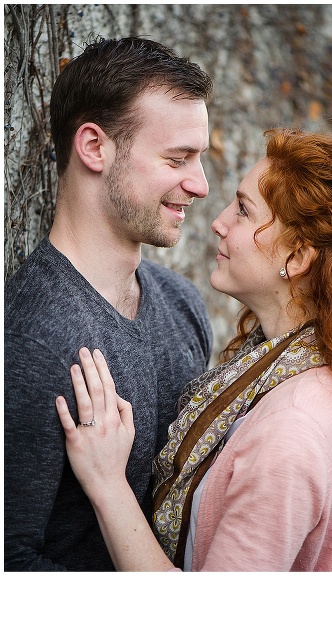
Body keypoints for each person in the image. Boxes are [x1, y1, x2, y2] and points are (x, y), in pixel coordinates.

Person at [55, 129, 332, 571]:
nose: (218, 221)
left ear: (298, 258)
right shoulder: (278, 363)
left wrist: (107, 482)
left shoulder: (292, 430)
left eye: (244, 211)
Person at [4, 37, 214, 571]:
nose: (200, 184)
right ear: (94, 148)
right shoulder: (31, 337)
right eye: (177, 159)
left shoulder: (182, 305)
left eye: (199, 159)